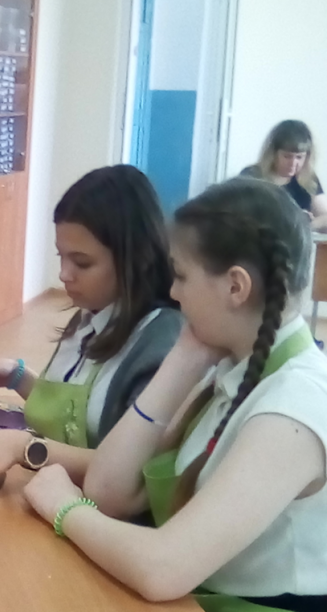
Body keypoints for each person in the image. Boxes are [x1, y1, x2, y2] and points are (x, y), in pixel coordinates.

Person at [24, 178, 327, 611]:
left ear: (235, 287)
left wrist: (64, 508)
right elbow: (109, 490)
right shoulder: (230, 364)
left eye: (181, 276)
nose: (172, 292)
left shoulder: (296, 402)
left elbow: (164, 568)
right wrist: (183, 360)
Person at [0, 165, 182, 484]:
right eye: (61, 257)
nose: (64, 274)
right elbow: (72, 414)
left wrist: (25, 447)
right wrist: (15, 376)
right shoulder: (89, 314)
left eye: (82, 263)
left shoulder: (160, 343)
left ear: (137, 257)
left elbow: (130, 470)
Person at [241, 120, 326, 229]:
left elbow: (325, 217)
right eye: (287, 156)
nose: (293, 163)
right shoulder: (251, 176)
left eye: (299, 157)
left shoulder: (309, 179)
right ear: (273, 154)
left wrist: (305, 225)